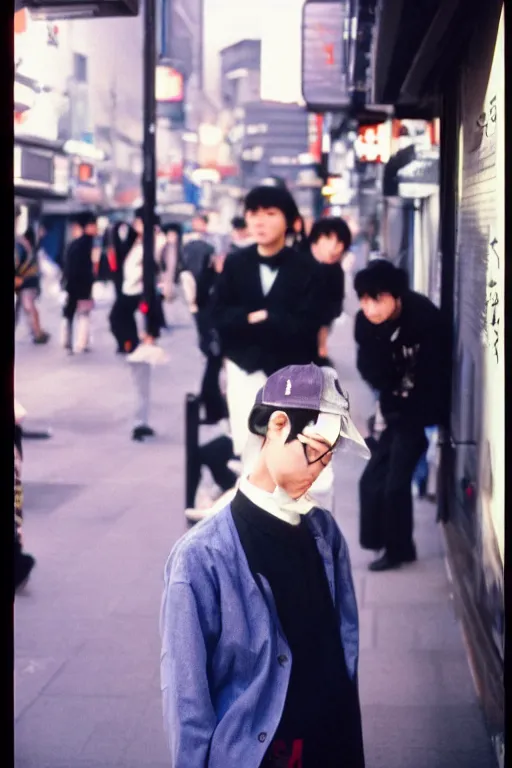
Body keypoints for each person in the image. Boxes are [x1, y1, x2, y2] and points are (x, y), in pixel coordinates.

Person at [161, 363, 368, 767]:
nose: (321, 466)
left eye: (329, 455)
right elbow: (188, 704)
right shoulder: (200, 558)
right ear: (277, 425)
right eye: (313, 449)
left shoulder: (325, 533)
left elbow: (343, 658)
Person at [212, 184, 323, 459]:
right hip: (244, 370)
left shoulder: (306, 268)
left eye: (270, 213)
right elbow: (217, 315)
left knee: (290, 455)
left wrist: (268, 318)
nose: (259, 220)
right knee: (250, 454)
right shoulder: (235, 263)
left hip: (290, 376)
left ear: (289, 221)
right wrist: (250, 319)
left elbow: (309, 323)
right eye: (253, 213)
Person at [354, 259, 448, 571]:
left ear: (396, 296)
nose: (370, 308)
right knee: (372, 480)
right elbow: (368, 368)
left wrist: (414, 410)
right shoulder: (365, 323)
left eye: (377, 299)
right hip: (390, 406)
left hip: (419, 410)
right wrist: (388, 396)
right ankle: (389, 544)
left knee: (395, 484)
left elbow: (436, 373)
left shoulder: (424, 319)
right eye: (364, 300)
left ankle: (397, 550)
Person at [308, 216, 352, 364]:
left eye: (340, 242)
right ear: (315, 239)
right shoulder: (296, 263)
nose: (334, 247)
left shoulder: (335, 271)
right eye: (328, 238)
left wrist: (322, 341)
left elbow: (334, 307)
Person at [60, 211, 98, 354]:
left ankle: (68, 342)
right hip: (81, 284)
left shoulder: (75, 244)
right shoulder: (85, 243)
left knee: (69, 313)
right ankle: (80, 343)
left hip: (73, 283)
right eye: (93, 225)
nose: (96, 229)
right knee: (82, 314)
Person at [15, 210, 50, 345]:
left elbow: (28, 261)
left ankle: (38, 333)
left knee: (28, 305)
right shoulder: (23, 240)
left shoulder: (23, 241)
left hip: (27, 279)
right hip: (22, 278)